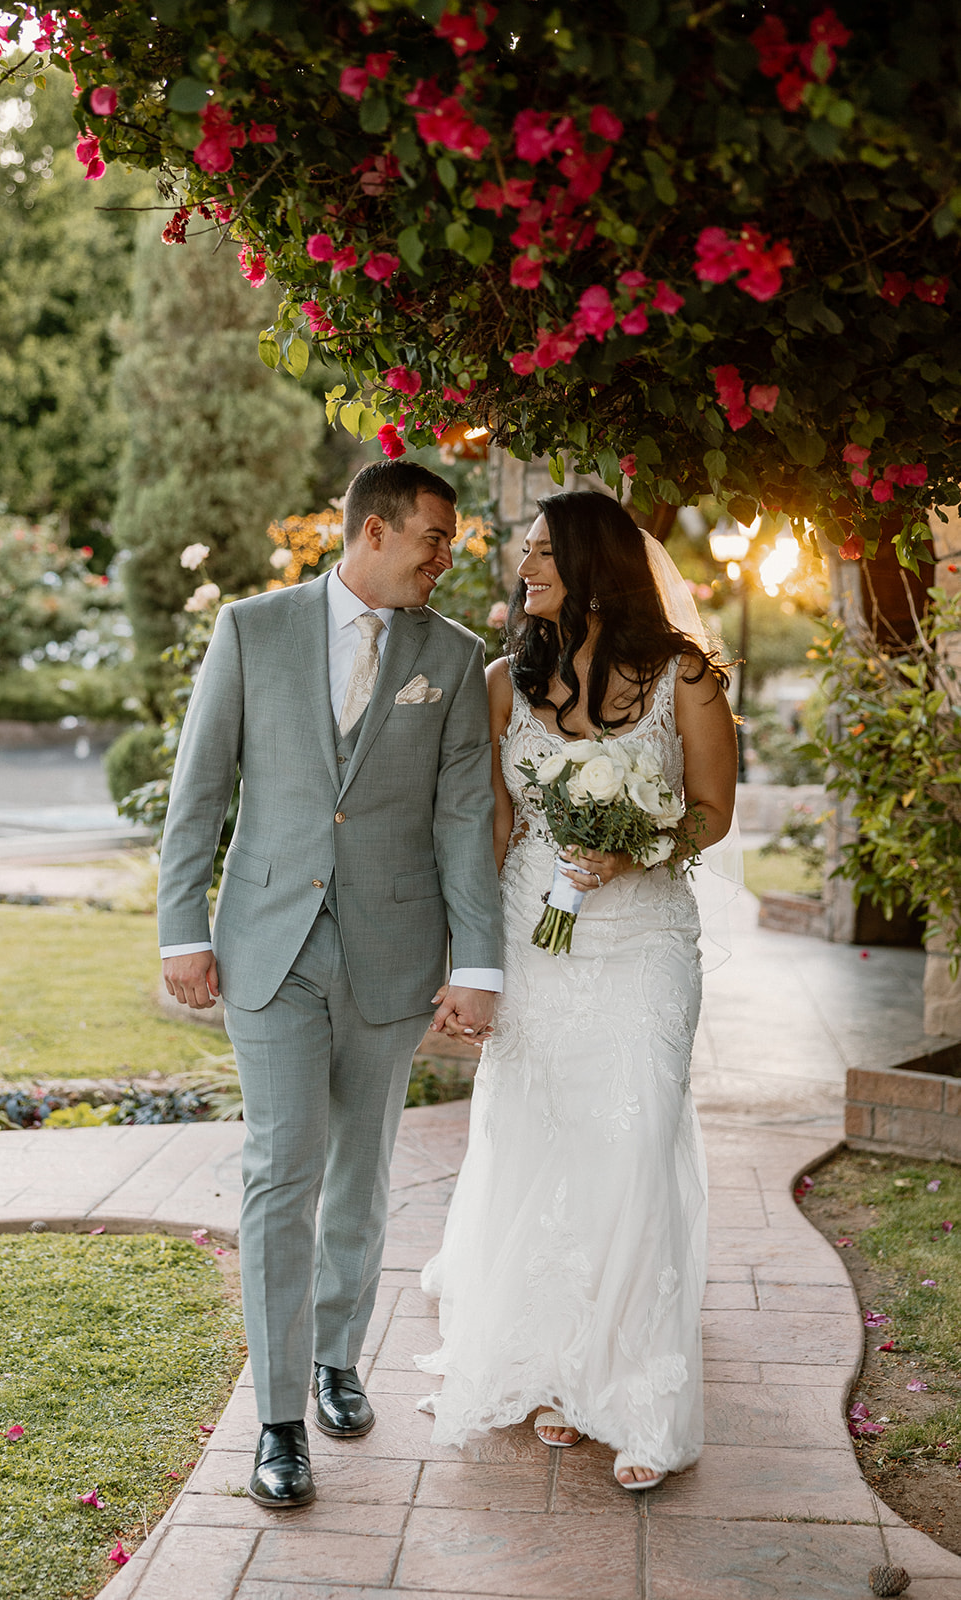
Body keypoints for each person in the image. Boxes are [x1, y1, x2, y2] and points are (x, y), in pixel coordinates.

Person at [157, 460, 504, 1508]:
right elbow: (200, 785)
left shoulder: (453, 658)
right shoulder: (252, 631)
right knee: (279, 1169)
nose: (446, 556)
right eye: (433, 537)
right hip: (269, 943)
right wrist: (181, 929)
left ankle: (337, 1356)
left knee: (361, 1165)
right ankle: (274, 1422)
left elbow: (458, 818)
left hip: (392, 951)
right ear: (372, 532)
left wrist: (477, 961)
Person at [418, 489, 737, 1491]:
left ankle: (639, 1395)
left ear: (593, 561)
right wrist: (470, 962)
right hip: (533, 935)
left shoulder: (680, 672)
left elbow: (714, 808)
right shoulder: (503, 684)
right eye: (523, 552)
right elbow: (497, 830)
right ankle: (556, 1373)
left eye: (542, 551)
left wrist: (639, 850)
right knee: (542, 1141)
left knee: (635, 1140)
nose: (524, 567)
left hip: (643, 938)